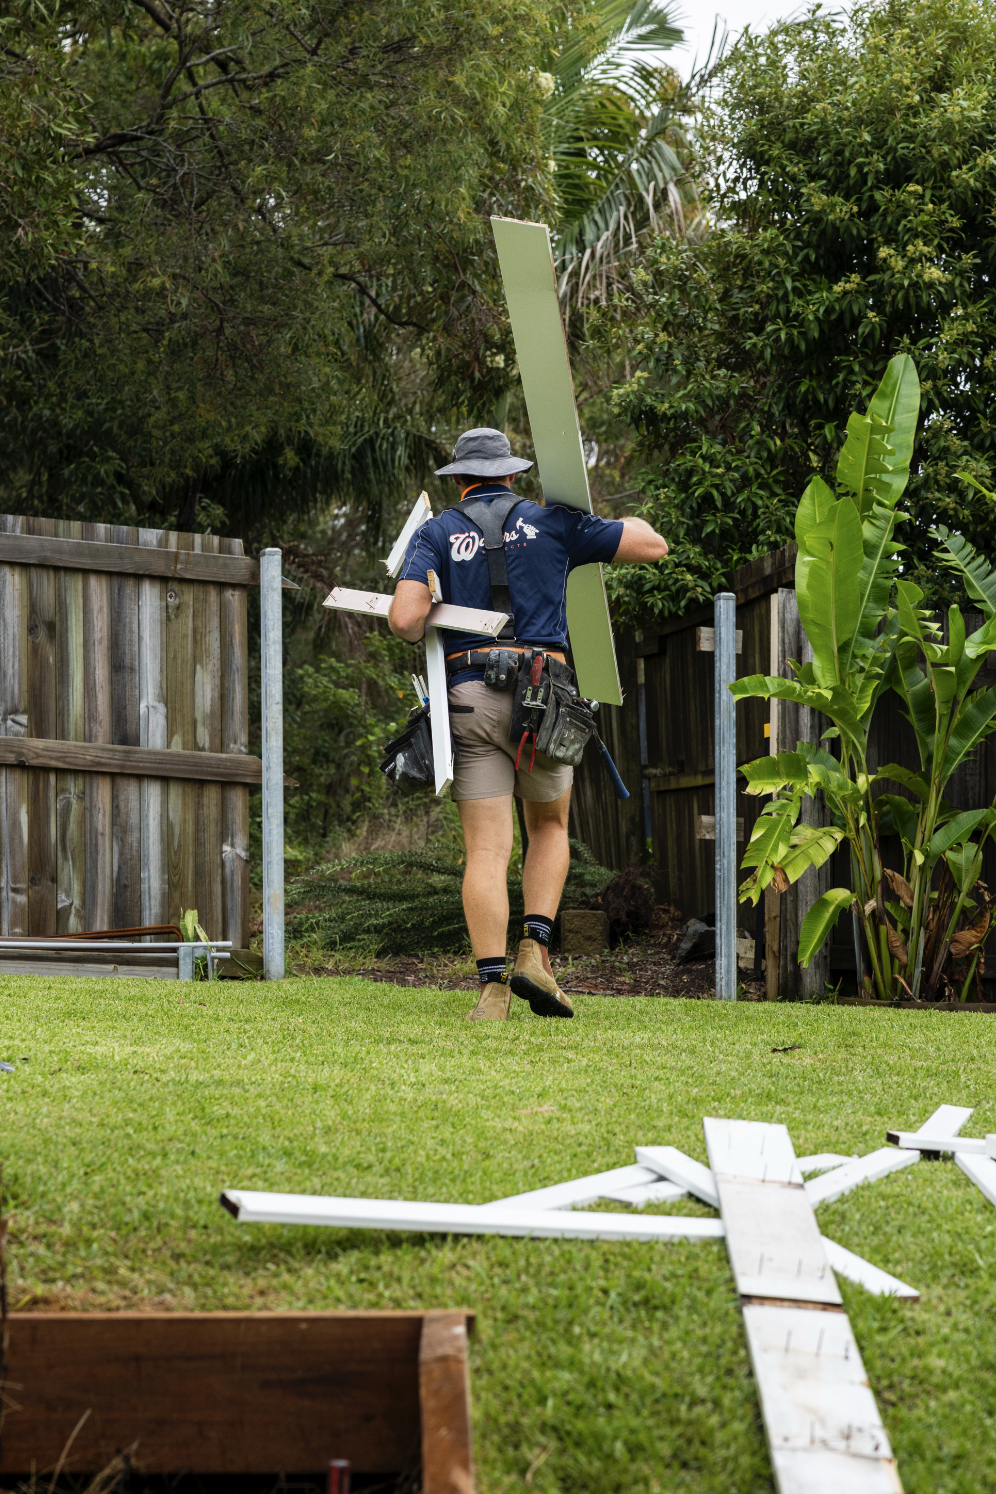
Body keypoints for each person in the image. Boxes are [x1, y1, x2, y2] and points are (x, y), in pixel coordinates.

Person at [388, 427, 668, 1022]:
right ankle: (535, 953)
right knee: (548, 826)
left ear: (460, 480)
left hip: (470, 696)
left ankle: (491, 993)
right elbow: (653, 545)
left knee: (486, 848)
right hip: (543, 696)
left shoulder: (435, 533)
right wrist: (580, 520)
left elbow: (405, 620)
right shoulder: (554, 523)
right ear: (512, 475)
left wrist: (442, 600)